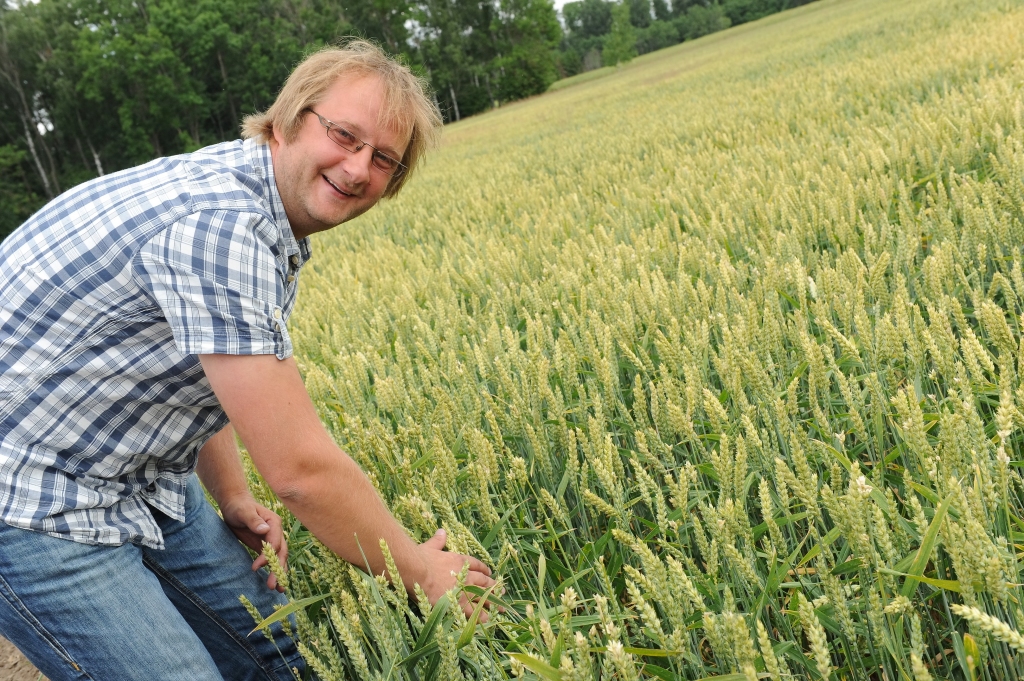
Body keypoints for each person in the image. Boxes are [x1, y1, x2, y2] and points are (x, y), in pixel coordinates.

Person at [0, 40, 496, 681]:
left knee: (275, 655)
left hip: (133, 473)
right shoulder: (223, 228)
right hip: (30, 500)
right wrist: (424, 571)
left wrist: (231, 495)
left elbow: (191, 374)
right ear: (290, 118)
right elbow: (297, 472)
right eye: (344, 135)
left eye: (384, 160)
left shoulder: (259, 204)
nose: (357, 169)